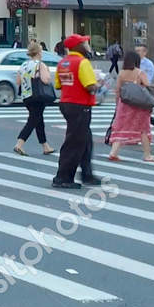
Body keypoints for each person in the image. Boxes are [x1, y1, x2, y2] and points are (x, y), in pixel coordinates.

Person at [51, 34, 103, 190]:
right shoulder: (82, 62)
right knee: (75, 142)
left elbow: (58, 85)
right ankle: (63, 177)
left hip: (66, 102)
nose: (87, 45)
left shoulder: (63, 62)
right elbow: (89, 86)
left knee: (85, 140)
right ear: (78, 47)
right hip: (80, 105)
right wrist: (99, 84)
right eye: (84, 43)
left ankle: (87, 174)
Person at [106, 50, 154, 163]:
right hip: (139, 105)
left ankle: (113, 152)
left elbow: (117, 90)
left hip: (124, 104)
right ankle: (147, 155)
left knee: (121, 128)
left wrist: (117, 105)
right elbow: (148, 87)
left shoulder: (121, 73)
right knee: (143, 129)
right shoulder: (140, 73)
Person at [13, 40, 57, 156]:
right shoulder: (40, 65)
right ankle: (19, 143)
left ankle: (45, 146)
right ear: (38, 52)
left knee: (38, 119)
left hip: (26, 96)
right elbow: (45, 80)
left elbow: (18, 81)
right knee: (33, 120)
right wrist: (48, 73)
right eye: (41, 51)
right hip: (38, 96)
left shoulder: (24, 65)